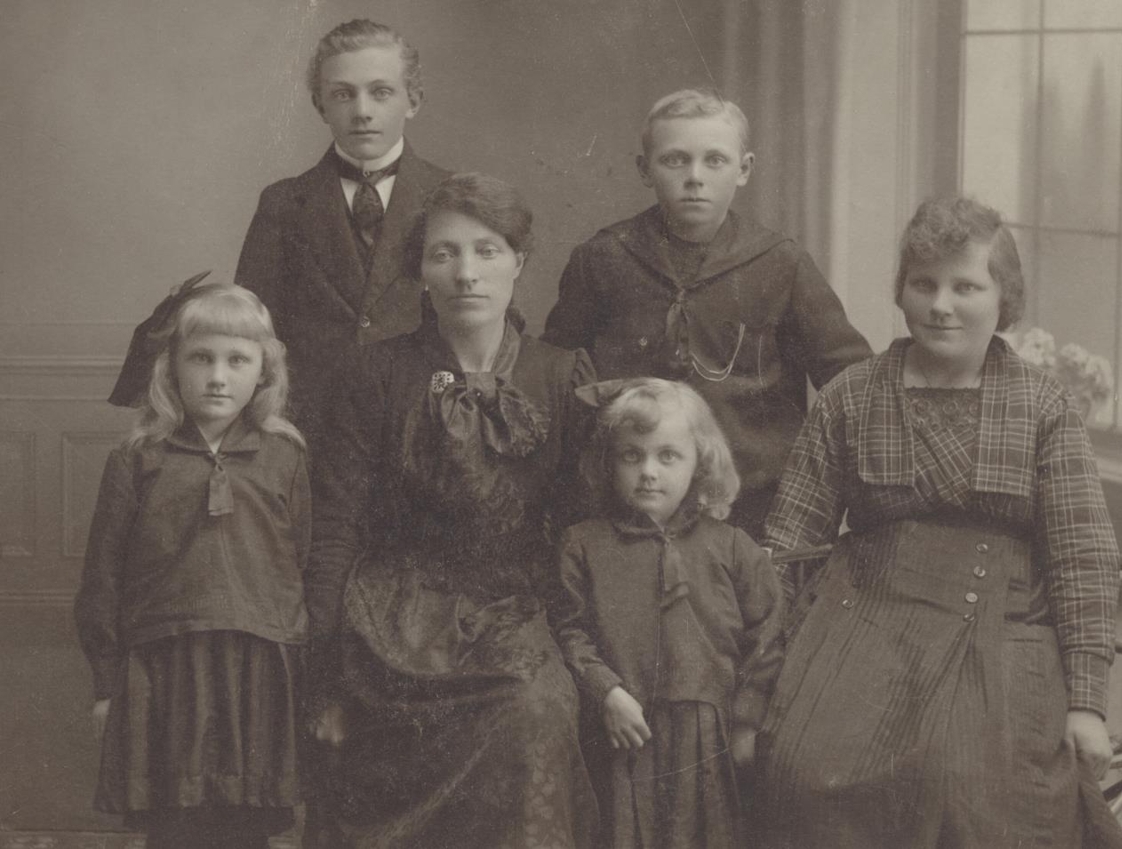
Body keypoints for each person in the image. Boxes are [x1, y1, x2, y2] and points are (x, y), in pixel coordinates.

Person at [755, 196, 1122, 848]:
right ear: (901, 291)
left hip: (1005, 633)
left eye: (966, 287)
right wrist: (758, 686)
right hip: (866, 630)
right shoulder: (851, 396)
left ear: (1004, 297)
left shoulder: (1043, 405)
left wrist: (1087, 703)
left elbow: (1082, 557)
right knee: (801, 772)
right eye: (923, 284)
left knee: (975, 787)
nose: (941, 305)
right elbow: (789, 546)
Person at [305, 173, 599, 848]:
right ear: (420, 270)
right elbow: (337, 527)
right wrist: (324, 678)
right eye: (444, 254)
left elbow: (581, 530)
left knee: (535, 706)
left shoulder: (560, 374)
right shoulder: (374, 374)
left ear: (519, 261)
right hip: (391, 612)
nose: (466, 273)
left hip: (514, 607)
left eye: (486, 251)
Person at [542, 87, 872, 538]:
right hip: (630, 503)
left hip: (751, 506)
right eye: (674, 160)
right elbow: (556, 378)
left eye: (714, 160)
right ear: (644, 168)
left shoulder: (781, 262)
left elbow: (850, 382)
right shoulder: (603, 258)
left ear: (744, 169)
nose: (695, 177)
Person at [75, 279, 310, 849]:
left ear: (265, 372)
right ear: (172, 367)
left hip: (255, 663)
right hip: (165, 663)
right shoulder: (138, 458)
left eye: (237, 360)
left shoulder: (284, 455)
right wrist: (107, 682)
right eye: (201, 358)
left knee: (246, 822)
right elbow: (102, 576)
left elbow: (299, 561)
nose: (218, 376)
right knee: (173, 821)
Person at [555, 377, 782, 848]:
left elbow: (768, 635)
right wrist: (606, 691)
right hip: (626, 731)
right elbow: (567, 631)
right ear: (609, 461)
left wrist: (746, 720)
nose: (648, 472)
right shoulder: (583, 545)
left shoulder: (733, 547)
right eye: (631, 455)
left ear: (701, 462)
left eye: (668, 456)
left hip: (709, 737)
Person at [235, 18, 450, 438]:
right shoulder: (283, 203)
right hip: (314, 429)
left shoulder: (451, 196)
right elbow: (252, 330)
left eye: (381, 92)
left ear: (413, 101)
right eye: (343, 94)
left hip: (425, 422)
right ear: (320, 106)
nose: (362, 111)